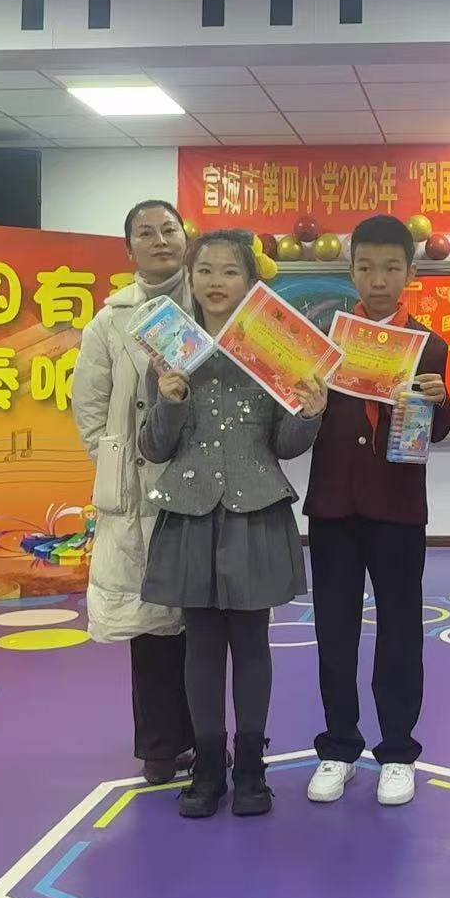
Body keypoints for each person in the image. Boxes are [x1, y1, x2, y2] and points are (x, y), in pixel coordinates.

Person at [138, 231, 325, 818]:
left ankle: (250, 767)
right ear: (190, 279)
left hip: (255, 511)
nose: (216, 282)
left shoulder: (273, 351)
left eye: (229, 271)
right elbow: (155, 447)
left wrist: (311, 413)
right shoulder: (169, 349)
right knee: (199, 645)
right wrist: (169, 398)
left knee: (251, 643)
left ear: (250, 282)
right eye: (205, 271)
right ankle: (208, 767)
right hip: (190, 512)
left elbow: (285, 444)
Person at [304, 215, 450, 808]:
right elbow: (304, 413)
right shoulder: (326, 342)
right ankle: (339, 747)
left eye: (392, 267)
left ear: (410, 273)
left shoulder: (430, 345)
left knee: (400, 631)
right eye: (366, 267)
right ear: (352, 272)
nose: (378, 279)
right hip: (333, 506)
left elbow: (435, 431)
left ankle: (397, 752)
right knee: (333, 631)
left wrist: (440, 403)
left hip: (397, 506)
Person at [73, 199, 197, 785]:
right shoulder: (110, 321)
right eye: (145, 233)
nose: (159, 240)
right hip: (140, 484)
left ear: (186, 238)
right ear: (129, 251)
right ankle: (159, 745)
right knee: (150, 624)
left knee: (204, 622)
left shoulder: (212, 302)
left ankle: (207, 738)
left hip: (202, 476)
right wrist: (119, 462)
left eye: (169, 229)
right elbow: (89, 407)